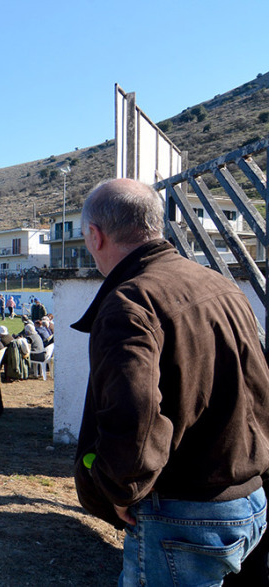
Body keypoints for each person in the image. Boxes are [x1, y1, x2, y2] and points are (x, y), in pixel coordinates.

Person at [72, 178, 269, 585]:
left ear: (95, 235)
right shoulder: (222, 285)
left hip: (184, 515)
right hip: (248, 500)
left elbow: (134, 416)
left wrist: (118, 488)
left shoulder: (130, 302)